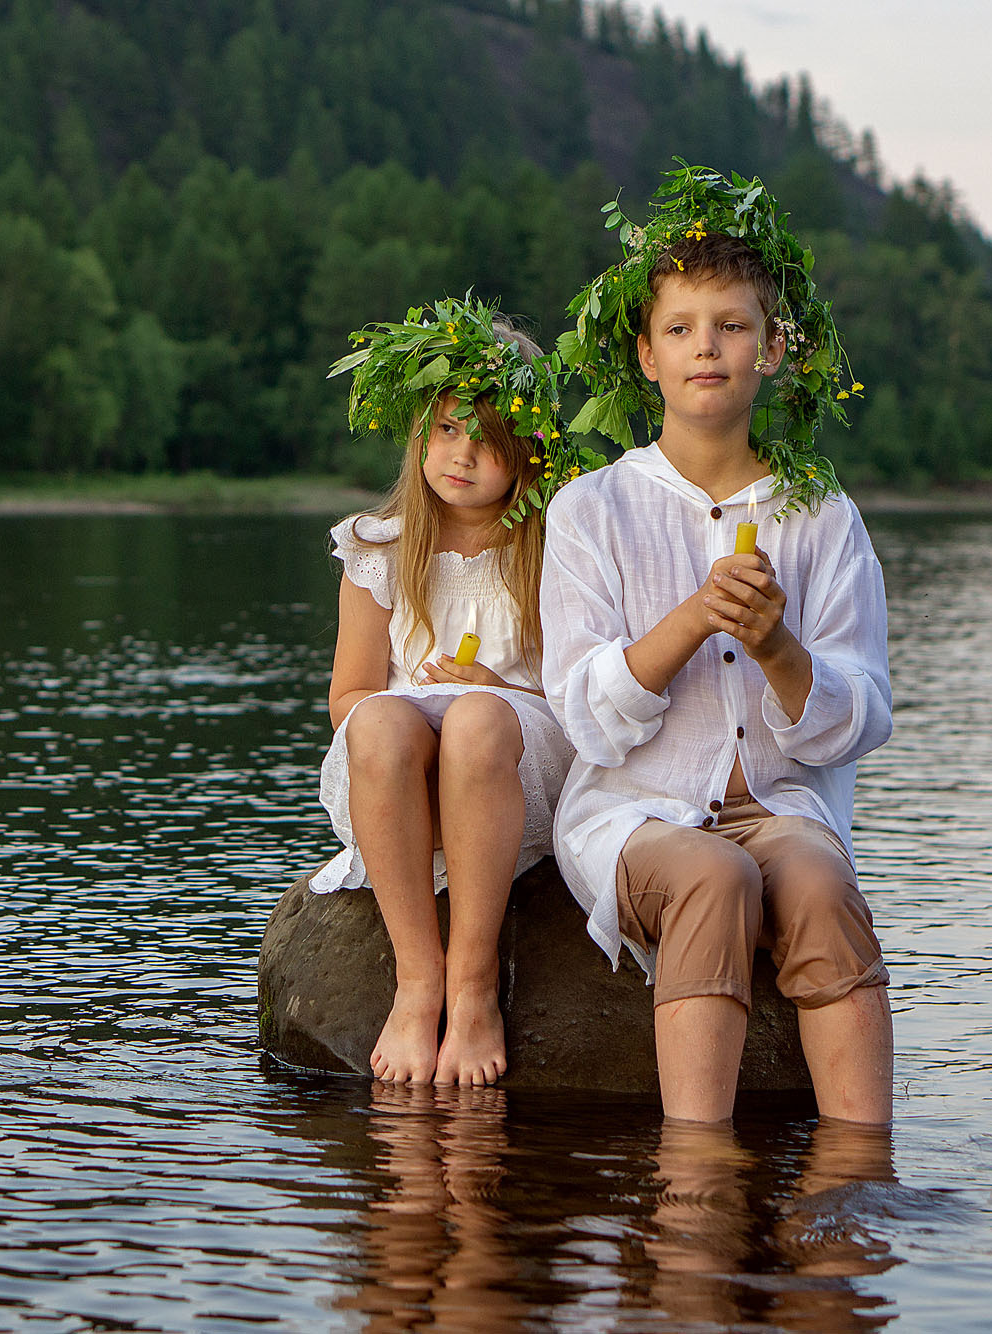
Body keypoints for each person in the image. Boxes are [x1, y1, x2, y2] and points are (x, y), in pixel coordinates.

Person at [542, 164, 895, 1123]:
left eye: (733, 326)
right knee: (714, 874)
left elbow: (859, 720)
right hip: (634, 811)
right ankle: (697, 1170)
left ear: (773, 348)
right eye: (682, 328)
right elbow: (584, 717)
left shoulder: (821, 516)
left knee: (819, 883)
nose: (710, 348)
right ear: (647, 356)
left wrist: (778, 645)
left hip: (780, 806)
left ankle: (862, 1168)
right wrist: (695, 618)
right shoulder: (593, 510)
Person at [315, 295, 601, 1086]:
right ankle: (417, 982)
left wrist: (497, 688)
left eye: (488, 438)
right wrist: (408, 716)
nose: (461, 454)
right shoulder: (379, 547)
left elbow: (578, 690)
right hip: (402, 767)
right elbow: (349, 698)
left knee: (478, 715)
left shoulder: (552, 547)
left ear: (531, 452)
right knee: (377, 725)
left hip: (510, 750)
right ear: (420, 436)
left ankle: (473, 987)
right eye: (446, 430)